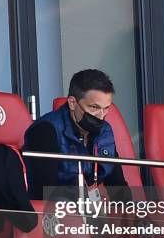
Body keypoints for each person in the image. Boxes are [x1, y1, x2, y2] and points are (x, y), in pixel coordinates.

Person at [23, 69, 131, 203]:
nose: (101, 115)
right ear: (72, 102)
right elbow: (46, 191)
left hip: (89, 212)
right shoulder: (45, 130)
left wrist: (132, 215)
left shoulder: (105, 132)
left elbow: (118, 186)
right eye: (94, 107)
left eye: (106, 108)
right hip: (55, 215)